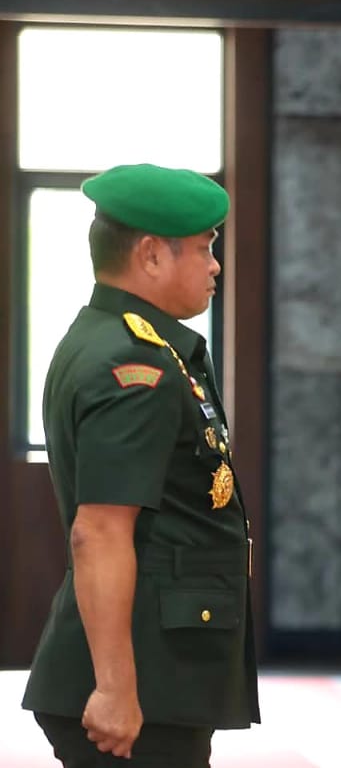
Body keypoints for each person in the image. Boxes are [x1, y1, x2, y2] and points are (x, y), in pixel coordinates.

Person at [21, 164, 259, 767]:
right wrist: (115, 688)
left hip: (163, 667)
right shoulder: (134, 366)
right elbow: (100, 530)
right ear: (151, 255)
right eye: (204, 248)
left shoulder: (126, 343)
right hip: (140, 676)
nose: (215, 266)